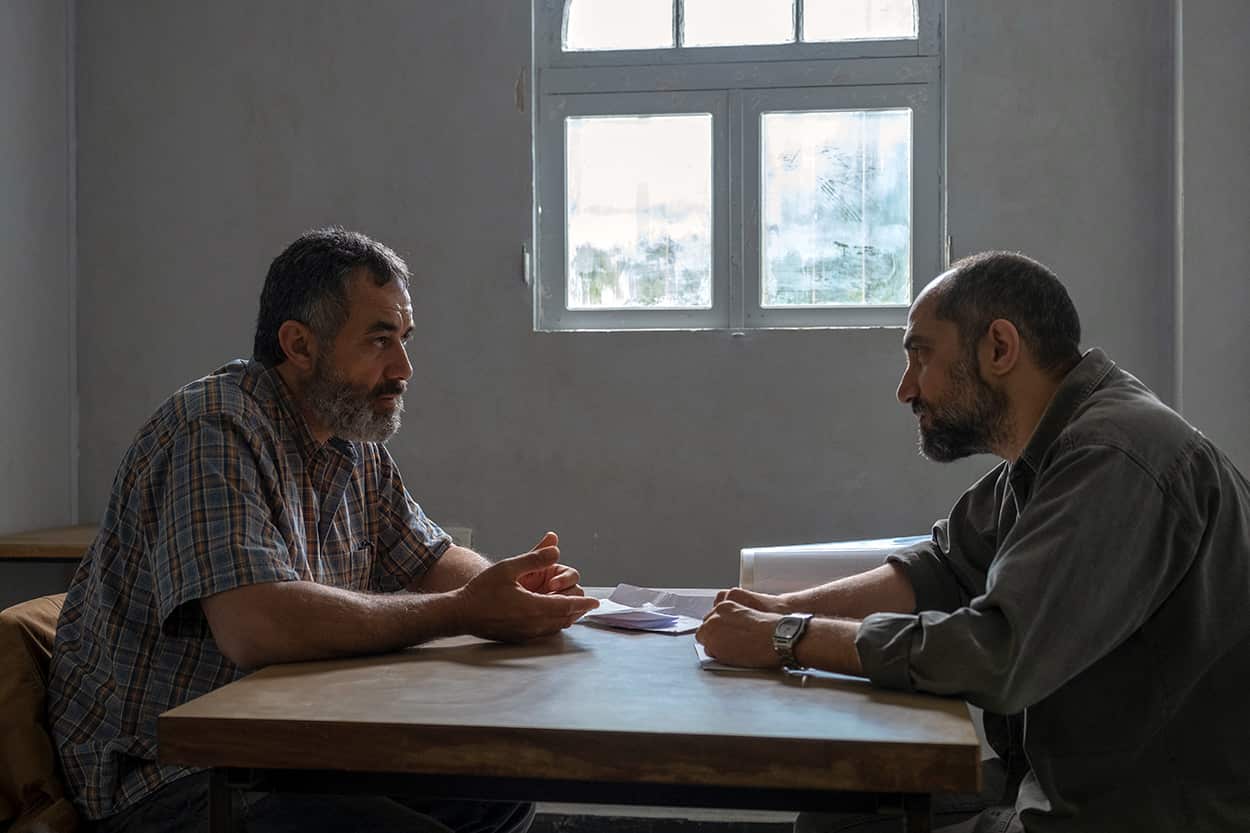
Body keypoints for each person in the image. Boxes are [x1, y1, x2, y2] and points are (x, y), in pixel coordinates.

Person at [47, 228, 599, 832]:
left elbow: (433, 559)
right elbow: (255, 627)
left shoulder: (348, 438)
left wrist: (515, 590)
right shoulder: (214, 431)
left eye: (405, 340)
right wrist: (465, 611)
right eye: (380, 340)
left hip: (287, 751)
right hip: (174, 775)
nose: (404, 368)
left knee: (498, 786)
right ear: (300, 345)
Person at [697, 252, 1250, 832]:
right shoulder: (1056, 445)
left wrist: (790, 638)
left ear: (999, 348)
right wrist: (784, 607)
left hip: (1142, 811)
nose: (905, 388)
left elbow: (997, 653)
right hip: (1060, 781)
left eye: (920, 355)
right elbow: (945, 565)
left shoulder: (1113, 457)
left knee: (844, 827)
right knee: (840, 814)